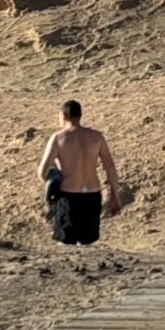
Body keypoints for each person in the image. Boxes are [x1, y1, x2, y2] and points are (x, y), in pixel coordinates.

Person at [39, 99, 123, 245]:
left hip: (68, 196)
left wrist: (52, 185)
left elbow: (42, 171)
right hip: (92, 196)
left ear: (62, 116)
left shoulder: (58, 138)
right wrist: (116, 197)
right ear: (80, 116)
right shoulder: (97, 137)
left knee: (67, 246)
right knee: (88, 244)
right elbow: (110, 168)